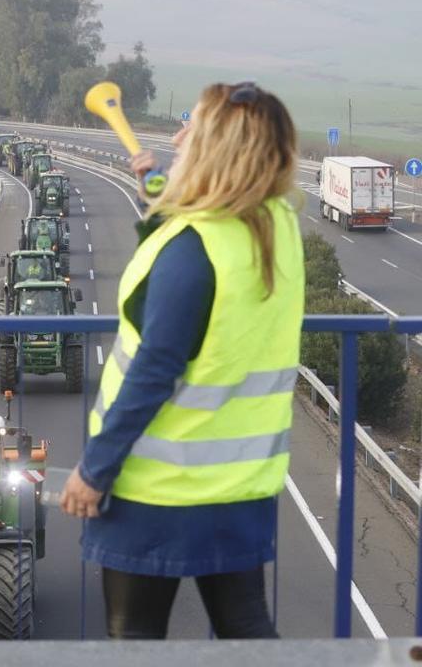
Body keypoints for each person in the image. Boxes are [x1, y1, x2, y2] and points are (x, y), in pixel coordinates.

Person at [59, 82, 303, 640]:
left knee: (134, 640)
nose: (177, 135)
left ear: (218, 149)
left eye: (191, 126)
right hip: (239, 485)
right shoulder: (275, 227)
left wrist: (94, 469)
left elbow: (152, 371)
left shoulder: (192, 250)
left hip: (155, 488)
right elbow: (214, 263)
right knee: (246, 629)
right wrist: (166, 198)